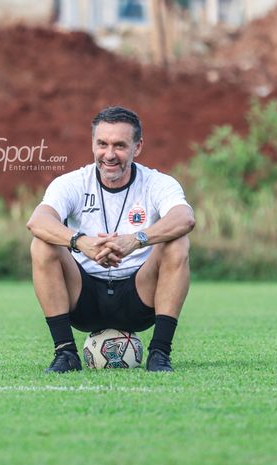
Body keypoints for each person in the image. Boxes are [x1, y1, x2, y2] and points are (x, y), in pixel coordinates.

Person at [26, 106, 195, 373]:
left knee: (178, 241)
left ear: (137, 147)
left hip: (139, 296)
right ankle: (65, 353)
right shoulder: (71, 182)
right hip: (83, 297)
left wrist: (135, 240)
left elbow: (184, 218)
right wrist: (81, 242)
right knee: (42, 243)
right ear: (92, 144)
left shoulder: (158, 183)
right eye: (102, 144)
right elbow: (38, 221)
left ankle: (160, 354)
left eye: (119, 145)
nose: (109, 154)